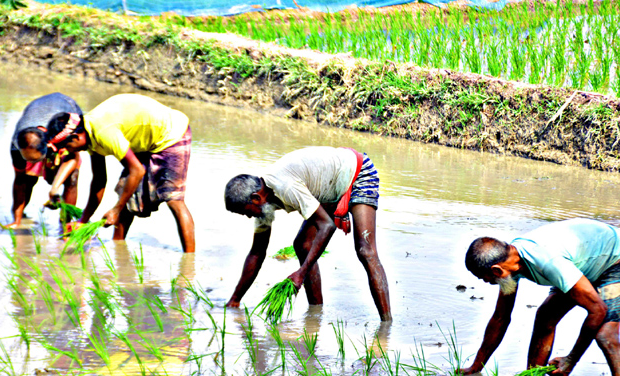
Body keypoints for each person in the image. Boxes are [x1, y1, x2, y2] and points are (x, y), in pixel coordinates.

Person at [460, 218, 620, 376]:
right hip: (581, 262)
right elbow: (501, 317)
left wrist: (570, 360)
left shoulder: (547, 262)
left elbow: (597, 309)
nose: (487, 283)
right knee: (545, 316)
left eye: (485, 278)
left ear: (497, 271)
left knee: (606, 335)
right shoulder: (509, 264)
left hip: (616, 257)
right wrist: (477, 365)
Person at [224, 146, 392, 321]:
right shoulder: (263, 205)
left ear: (256, 198)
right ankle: (315, 316)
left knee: (366, 250)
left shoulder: (285, 186)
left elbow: (327, 226)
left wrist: (301, 273)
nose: (249, 217)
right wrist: (235, 300)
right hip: (328, 186)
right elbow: (257, 252)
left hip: (357, 172)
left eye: (246, 212)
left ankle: (386, 325)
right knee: (303, 244)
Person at [42, 94, 195, 252]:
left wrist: (115, 210)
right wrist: (83, 220)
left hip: (171, 134)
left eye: (66, 147)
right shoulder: (90, 136)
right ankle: (119, 250)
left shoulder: (103, 132)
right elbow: (99, 180)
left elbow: (137, 170)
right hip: (145, 140)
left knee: (173, 199)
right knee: (126, 191)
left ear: (75, 137)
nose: (67, 151)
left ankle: (190, 263)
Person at [7, 93, 83, 228]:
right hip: (36, 110)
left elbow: (72, 159)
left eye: (36, 160)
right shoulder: (16, 145)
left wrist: (54, 188)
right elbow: (19, 182)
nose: (33, 163)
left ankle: (66, 224)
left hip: (64, 106)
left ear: (48, 146)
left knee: (72, 178)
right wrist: (16, 222)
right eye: (30, 160)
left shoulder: (63, 132)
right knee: (27, 180)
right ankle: (18, 215)